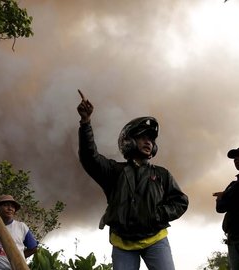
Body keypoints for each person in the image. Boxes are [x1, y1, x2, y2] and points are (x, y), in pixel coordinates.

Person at [76, 90, 189, 270]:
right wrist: (85, 122)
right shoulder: (114, 171)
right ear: (129, 141)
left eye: (151, 139)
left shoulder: (162, 174)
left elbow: (181, 202)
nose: (148, 142)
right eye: (143, 137)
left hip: (155, 239)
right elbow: (89, 158)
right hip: (123, 243)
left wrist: (156, 215)